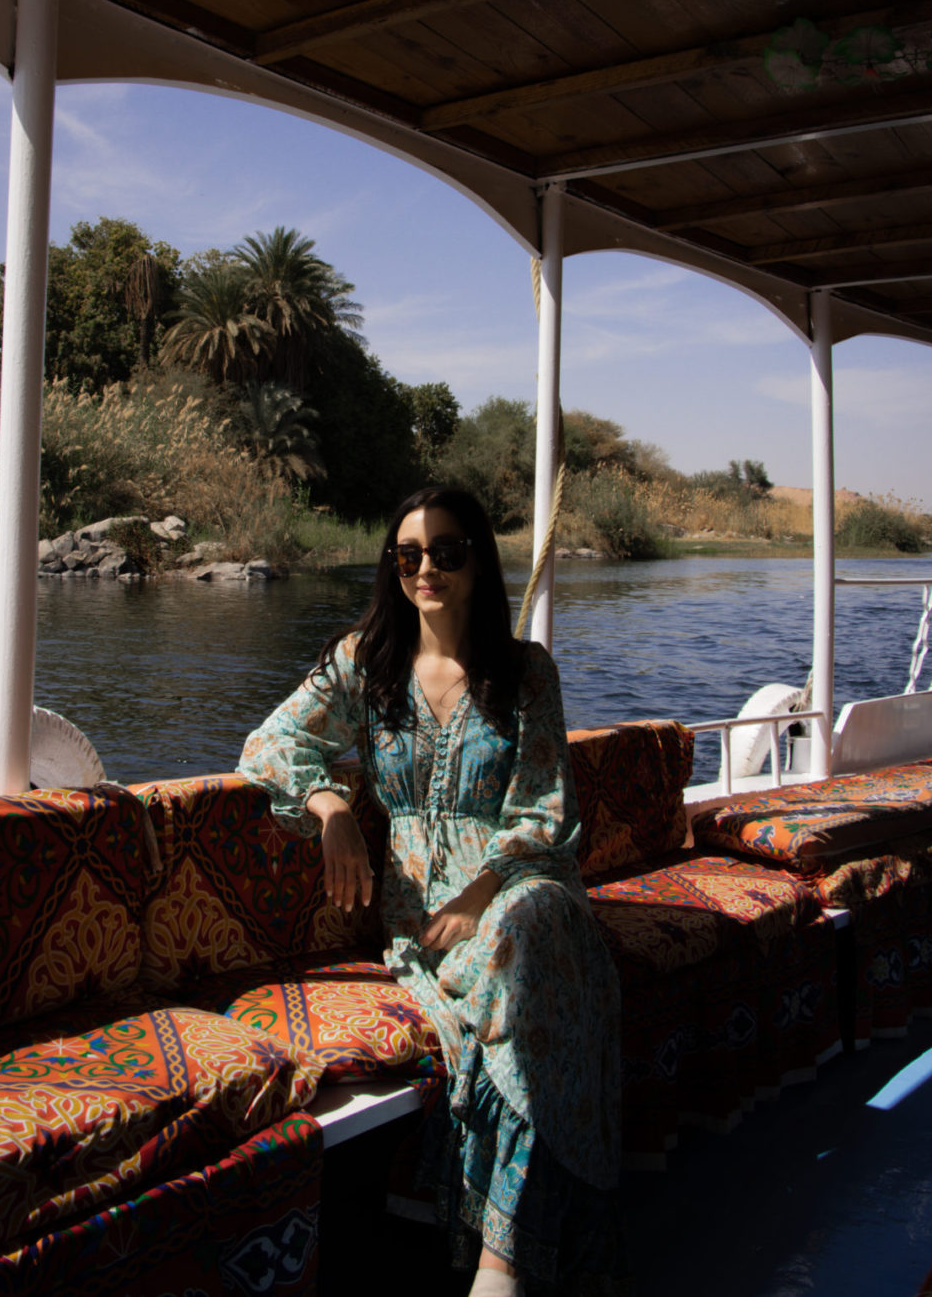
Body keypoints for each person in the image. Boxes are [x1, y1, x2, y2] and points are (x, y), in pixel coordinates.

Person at [239, 486, 622, 1296]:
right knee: (524, 979)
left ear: (478, 560)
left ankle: (501, 1262)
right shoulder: (364, 665)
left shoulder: (524, 674)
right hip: (418, 911)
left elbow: (544, 810)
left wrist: (484, 890)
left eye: (446, 552)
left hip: (516, 882)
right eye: (408, 555)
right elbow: (269, 744)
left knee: (530, 936)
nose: (426, 570)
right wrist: (332, 805)